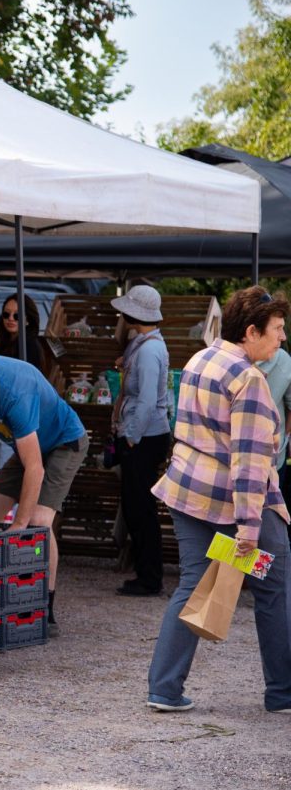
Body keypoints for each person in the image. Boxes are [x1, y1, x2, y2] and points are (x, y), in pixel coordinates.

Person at [147, 286, 291, 714]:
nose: (282, 338)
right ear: (252, 331)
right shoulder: (249, 379)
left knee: (193, 582)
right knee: (275, 586)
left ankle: (164, 690)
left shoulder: (201, 357)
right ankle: (283, 693)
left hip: (187, 491)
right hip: (235, 505)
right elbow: (249, 463)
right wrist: (249, 528)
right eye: (278, 329)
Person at [0, 348, 87, 636]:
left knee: (39, 521)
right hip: (30, 445)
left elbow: (35, 468)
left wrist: (19, 525)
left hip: (63, 444)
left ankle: (45, 609)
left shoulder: (14, 395)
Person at [110, 286, 170, 597]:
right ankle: (146, 573)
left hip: (143, 436)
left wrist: (131, 438)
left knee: (140, 508)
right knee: (137, 506)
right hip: (144, 433)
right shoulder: (145, 343)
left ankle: (149, 577)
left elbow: (147, 400)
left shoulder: (148, 349)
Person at [0, 294, 46, 469]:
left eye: (17, 315)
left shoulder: (29, 346)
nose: (11, 319)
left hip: (16, 417)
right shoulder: (5, 345)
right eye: (6, 315)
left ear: (28, 319)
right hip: (0, 415)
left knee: (4, 467)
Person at [257, 343, 291, 497]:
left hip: (231, 461)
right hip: (274, 456)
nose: (283, 336)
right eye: (277, 327)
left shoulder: (224, 359)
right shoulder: (283, 359)